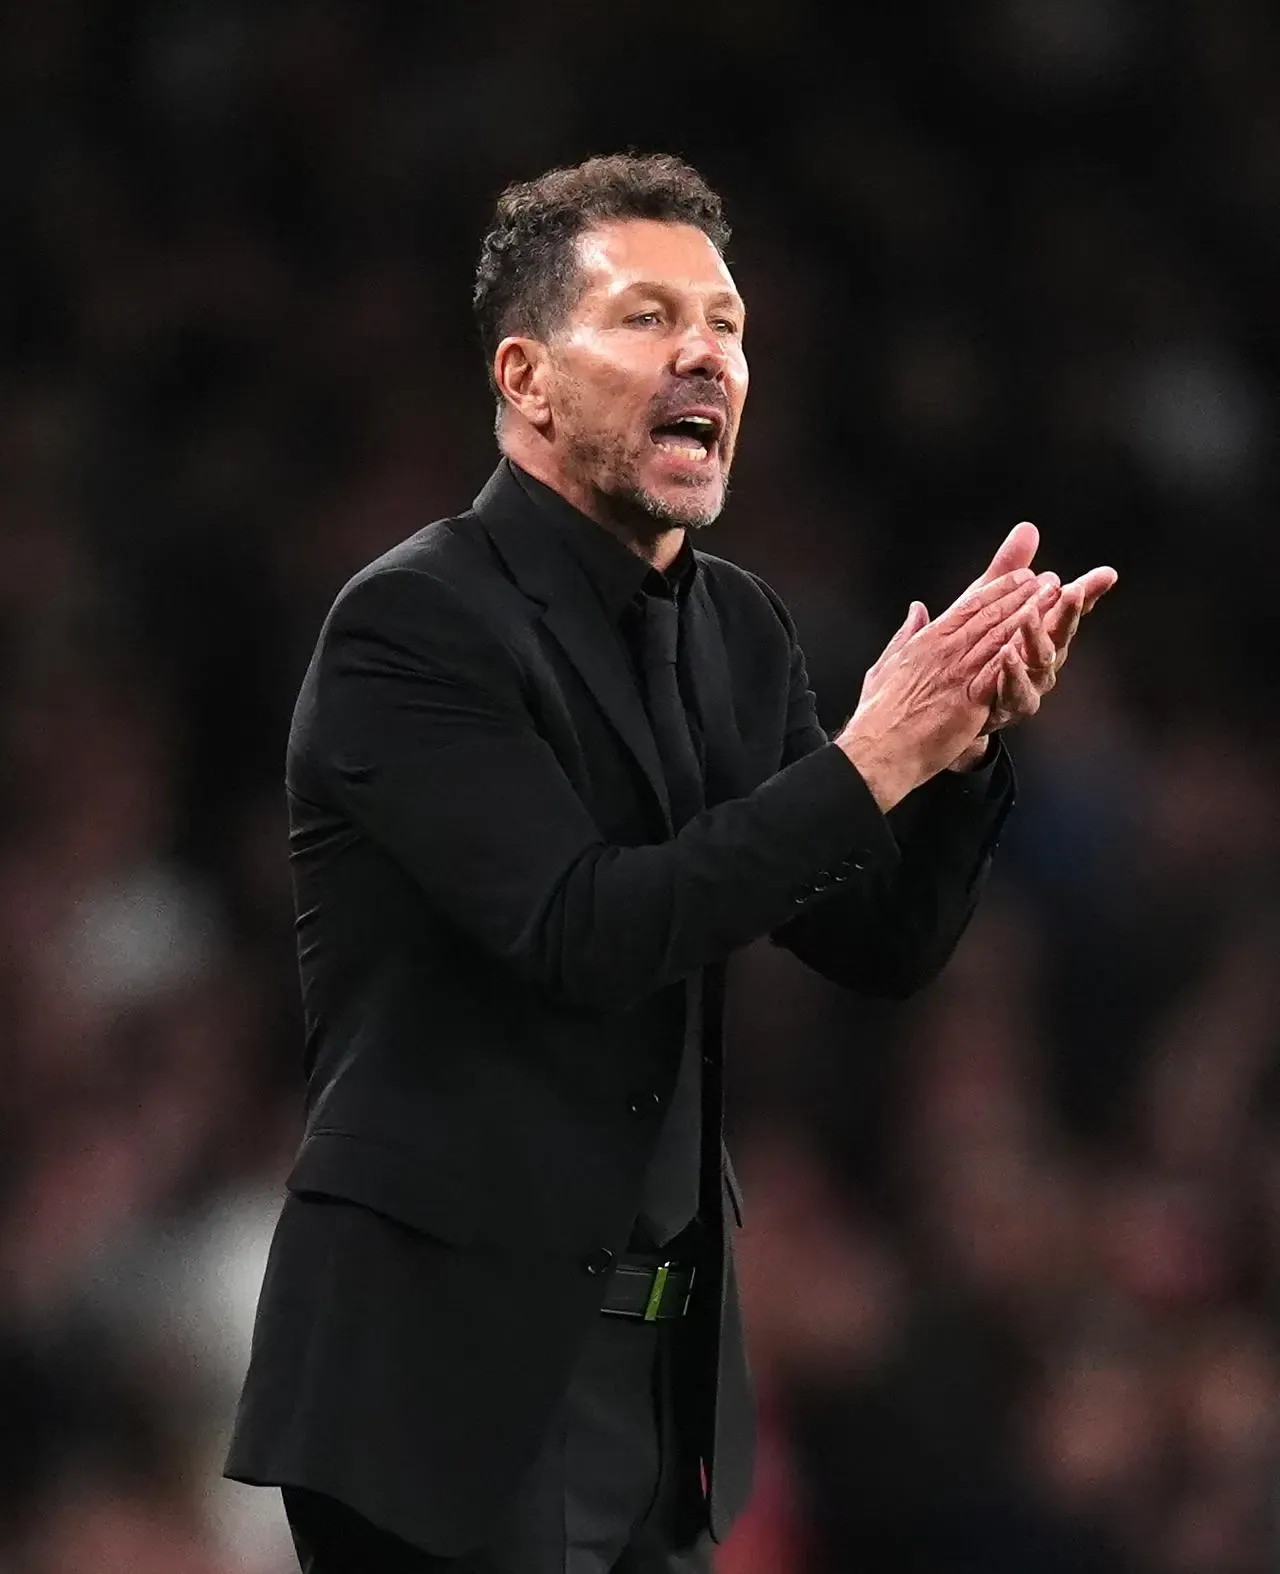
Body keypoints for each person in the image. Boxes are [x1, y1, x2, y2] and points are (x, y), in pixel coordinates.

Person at [224, 152, 1116, 1573]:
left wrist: (957, 757)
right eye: (647, 317)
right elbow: (588, 929)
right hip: (441, 1387)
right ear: (524, 375)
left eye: (729, 323)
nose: (706, 351)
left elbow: (875, 943)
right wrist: (871, 756)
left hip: (658, 1392)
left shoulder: (738, 631)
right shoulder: (413, 628)